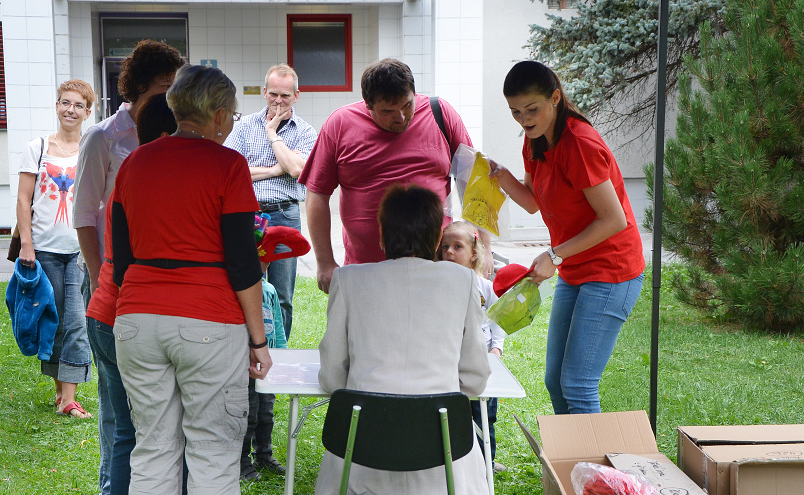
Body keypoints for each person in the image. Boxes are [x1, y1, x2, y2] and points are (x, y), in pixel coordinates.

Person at [110, 64, 272, 495]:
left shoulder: (134, 163)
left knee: (153, 442)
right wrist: (258, 338)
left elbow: (124, 254)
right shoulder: (229, 166)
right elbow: (242, 260)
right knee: (212, 446)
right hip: (208, 319)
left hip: (136, 316)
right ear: (221, 114)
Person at [315, 184, 490, 495]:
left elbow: (334, 374)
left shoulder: (350, 280)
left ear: (381, 234)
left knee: (386, 448)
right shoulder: (463, 280)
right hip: (443, 456)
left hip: (362, 456)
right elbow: (475, 376)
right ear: (436, 238)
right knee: (435, 461)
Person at [489, 60, 645, 415]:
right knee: (555, 380)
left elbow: (614, 219)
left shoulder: (579, 144)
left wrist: (554, 255)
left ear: (555, 98)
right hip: (575, 267)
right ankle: (569, 465)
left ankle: (588, 470)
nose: (524, 119)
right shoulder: (534, 141)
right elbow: (533, 202)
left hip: (612, 270)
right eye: (515, 112)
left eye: (532, 109)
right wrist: (500, 176)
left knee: (577, 382)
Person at [72, 40, 185, 495]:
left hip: (153, 281)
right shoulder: (103, 138)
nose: (170, 98)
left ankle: (137, 487)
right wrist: (102, 278)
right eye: (164, 88)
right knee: (115, 394)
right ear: (139, 88)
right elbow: (84, 216)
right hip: (110, 274)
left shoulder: (176, 134)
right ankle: (111, 486)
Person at [299, 58, 484, 293]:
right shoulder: (340, 123)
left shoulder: (441, 113)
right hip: (365, 271)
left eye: (407, 105)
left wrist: (483, 249)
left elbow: (473, 182)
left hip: (434, 267)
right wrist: (324, 262)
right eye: (388, 111)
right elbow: (317, 193)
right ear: (368, 105)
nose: (401, 117)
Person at [15, 79, 95, 418]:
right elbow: (23, 198)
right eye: (65, 103)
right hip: (43, 249)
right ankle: (62, 394)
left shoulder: (92, 148)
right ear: (57, 105)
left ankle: (68, 398)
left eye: (78, 105)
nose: (70, 110)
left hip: (81, 249)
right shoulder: (38, 147)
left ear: (88, 112)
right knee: (53, 320)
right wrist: (27, 245)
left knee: (77, 321)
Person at [224, 64, 317, 339]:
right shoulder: (243, 127)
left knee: (283, 293)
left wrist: (273, 134)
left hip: (285, 215)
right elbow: (232, 171)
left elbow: (299, 170)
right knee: (248, 287)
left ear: (296, 96)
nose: (278, 100)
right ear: (264, 92)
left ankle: (280, 350)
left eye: (285, 96)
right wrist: (277, 169)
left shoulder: (305, 132)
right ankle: (251, 348)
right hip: (247, 216)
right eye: (273, 93)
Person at [240, 225, 311, 482]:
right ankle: (242, 461)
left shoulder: (269, 290)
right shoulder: (235, 292)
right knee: (247, 412)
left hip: (267, 366)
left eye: (265, 263)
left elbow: (278, 328)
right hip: (245, 367)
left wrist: (280, 356)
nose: (261, 268)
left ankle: (264, 454)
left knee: (266, 412)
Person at [438, 221, 506, 471]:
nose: (449, 253)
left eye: (458, 246)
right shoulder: (438, 284)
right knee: (453, 411)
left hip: (481, 358)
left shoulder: (485, 286)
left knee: (485, 413)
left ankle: (485, 462)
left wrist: (496, 347)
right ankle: (454, 459)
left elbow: (498, 318)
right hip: (449, 358)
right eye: (445, 247)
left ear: (474, 253)